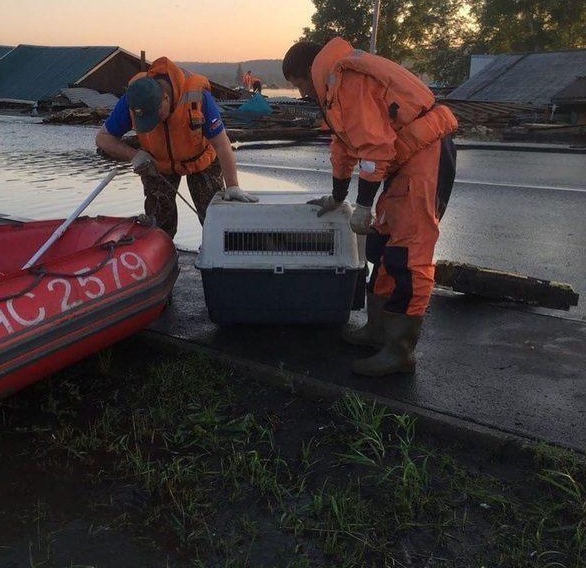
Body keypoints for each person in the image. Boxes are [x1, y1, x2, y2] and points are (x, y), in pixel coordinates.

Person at [282, 38, 458, 377]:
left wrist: (363, 205)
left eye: (299, 86)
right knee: (382, 246)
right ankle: (379, 329)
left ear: (307, 72)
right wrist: (337, 195)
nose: (303, 94)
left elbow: (374, 148)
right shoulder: (335, 85)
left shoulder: (349, 80)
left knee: (409, 254)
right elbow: (345, 146)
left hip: (425, 156)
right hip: (403, 159)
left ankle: (400, 349)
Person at [96, 56, 257, 239]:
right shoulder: (135, 98)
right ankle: (162, 256)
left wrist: (233, 186)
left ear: (165, 98)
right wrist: (134, 155)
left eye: (156, 115)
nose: (154, 122)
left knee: (213, 218)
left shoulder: (197, 96)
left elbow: (222, 144)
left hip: (200, 158)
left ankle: (218, 256)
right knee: (158, 226)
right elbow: (103, 138)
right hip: (157, 163)